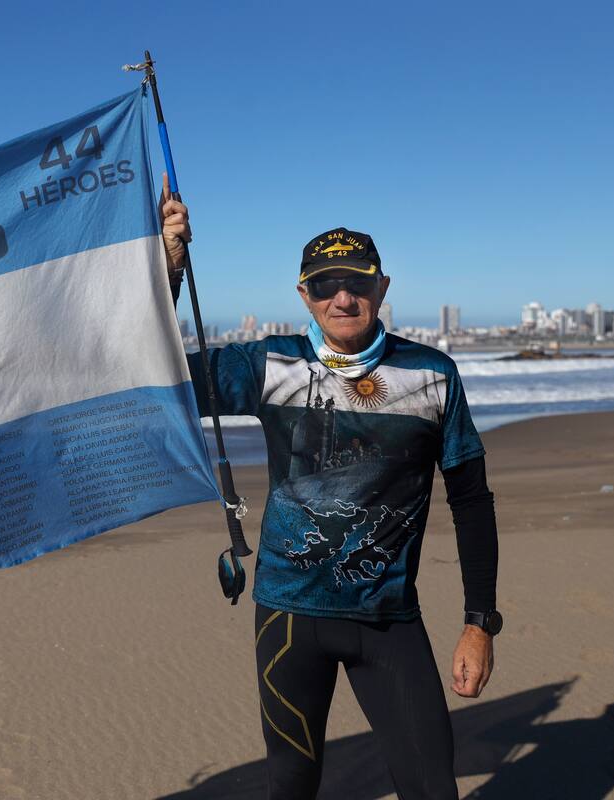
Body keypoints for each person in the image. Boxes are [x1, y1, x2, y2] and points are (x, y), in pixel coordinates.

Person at [159, 175, 501, 800]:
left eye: (357, 283)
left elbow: (472, 501)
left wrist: (480, 623)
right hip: (288, 616)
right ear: (305, 295)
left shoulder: (432, 376)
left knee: (431, 786)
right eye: (325, 285)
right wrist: (171, 268)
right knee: (291, 785)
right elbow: (158, 373)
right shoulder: (270, 364)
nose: (342, 297)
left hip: (388, 620)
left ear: (382, 288)